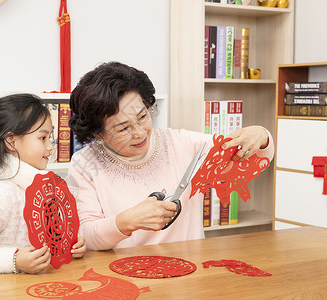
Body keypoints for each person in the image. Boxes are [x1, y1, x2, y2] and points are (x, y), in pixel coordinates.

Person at [66, 62, 274, 251]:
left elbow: (250, 161)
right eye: (123, 129)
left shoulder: (182, 143)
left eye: (143, 116)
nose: (139, 132)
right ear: (97, 133)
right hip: (123, 276)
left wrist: (261, 136)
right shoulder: (85, 164)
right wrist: (127, 221)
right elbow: (86, 236)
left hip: (189, 273)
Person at [0, 93, 86, 274]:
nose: (51, 146)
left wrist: (71, 245)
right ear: (11, 141)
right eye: (42, 138)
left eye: (50, 137)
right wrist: (14, 260)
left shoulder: (45, 188)